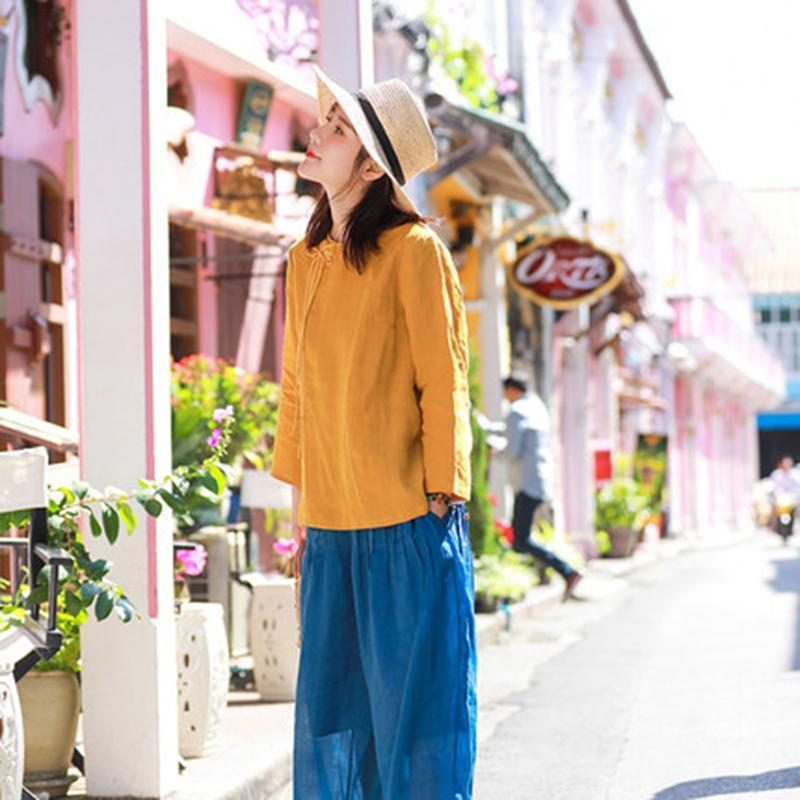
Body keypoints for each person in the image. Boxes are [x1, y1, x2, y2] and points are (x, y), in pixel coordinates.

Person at [270, 66, 476, 799]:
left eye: (339, 126)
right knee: (337, 728)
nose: (317, 129)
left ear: (369, 165)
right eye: (324, 118)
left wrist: (444, 490)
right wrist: (295, 512)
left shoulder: (416, 252)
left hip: (406, 524)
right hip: (330, 529)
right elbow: (297, 385)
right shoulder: (304, 259)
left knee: (417, 727)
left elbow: (443, 375)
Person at [502, 374, 583, 601]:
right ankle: (554, 574)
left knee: (520, 539)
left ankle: (566, 571)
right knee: (521, 536)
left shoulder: (517, 411)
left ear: (511, 390)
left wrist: (493, 449)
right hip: (539, 481)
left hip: (526, 483)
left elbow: (512, 451)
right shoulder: (537, 407)